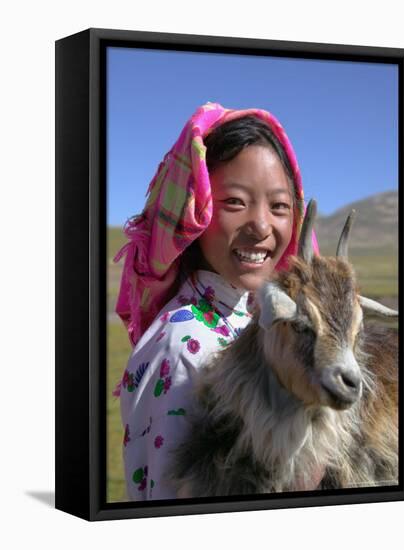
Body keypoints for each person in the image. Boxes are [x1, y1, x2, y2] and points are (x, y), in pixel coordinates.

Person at [113, 102, 317, 500]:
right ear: (194, 210)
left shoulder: (249, 319)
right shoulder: (188, 347)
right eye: (234, 203)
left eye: (278, 206)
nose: (261, 225)